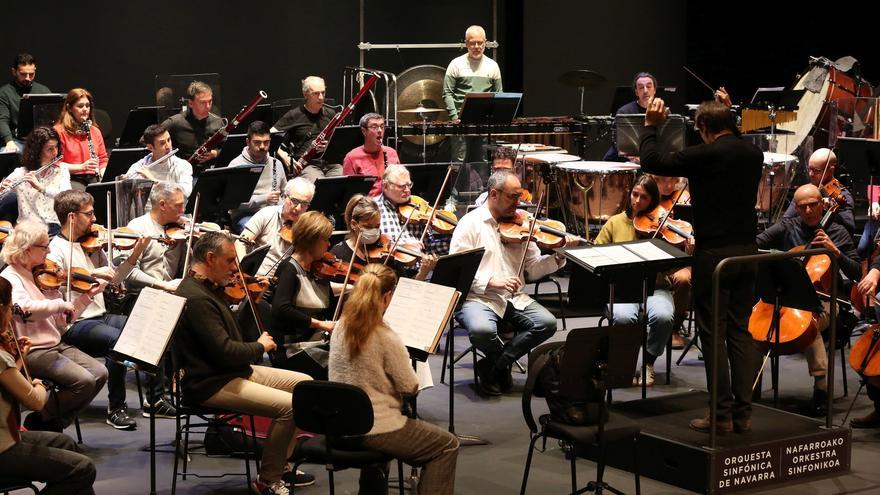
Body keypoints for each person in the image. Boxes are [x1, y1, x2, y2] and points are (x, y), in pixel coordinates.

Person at [639, 95, 764, 434]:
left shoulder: (704, 155)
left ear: (704, 129)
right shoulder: (754, 153)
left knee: (713, 334)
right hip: (748, 253)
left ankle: (720, 415)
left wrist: (651, 126)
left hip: (714, 255)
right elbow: (725, 142)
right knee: (740, 331)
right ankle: (743, 413)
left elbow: (651, 160)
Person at [173, 231, 313, 495]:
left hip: (230, 371)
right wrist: (261, 346)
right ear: (211, 258)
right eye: (229, 261)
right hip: (211, 382)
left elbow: (231, 335)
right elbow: (226, 351)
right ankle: (267, 480)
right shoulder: (197, 298)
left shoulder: (207, 289)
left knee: (304, 385)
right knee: (291, 408)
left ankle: (280, 463)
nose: (235, 269)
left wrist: (252, 304)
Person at [329, 263, 459, 495]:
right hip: (375, 428)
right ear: (388, 297)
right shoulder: (386, 337)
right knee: (446, 446)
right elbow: (410, 386)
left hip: (337, 423)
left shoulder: (340, 327)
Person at [450, 170, 577, 396]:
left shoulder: (523, 225)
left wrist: (559, 256)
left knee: (547, 323)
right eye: (513, 197)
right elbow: (458, 271)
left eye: (520, 197)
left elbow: (534, 268)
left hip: (513, 299)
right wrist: (491, 282)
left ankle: (495, 365)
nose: (518, 203)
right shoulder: (469, 224)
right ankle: (501, 365)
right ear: (493, 194)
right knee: (482, 330)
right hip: (477, 298)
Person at [48, 190, 151, 429]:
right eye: (90, 214)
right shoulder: (55, 249)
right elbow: (57, 279)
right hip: (74, 321)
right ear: (72, 217)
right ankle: (116, 407)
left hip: (100, 316)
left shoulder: (92, 245)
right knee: (118, 340)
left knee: (146, 326)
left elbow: (114, 279)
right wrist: (93, 273)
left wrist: (135, 255)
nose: (95, 219)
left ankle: (155, 399)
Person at [756, 183, 860, 416]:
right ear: (797, 208)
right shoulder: (788, 226)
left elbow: (856, 272)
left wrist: (836, 253)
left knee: (808, 323)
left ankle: (821, 390)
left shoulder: (837, 232)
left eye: (813, 205)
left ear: (823, 204)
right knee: (754, 322)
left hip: (826, 300)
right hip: (786, 297)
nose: (809, 211)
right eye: (802, 207)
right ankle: (750, 384)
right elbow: (758, 243)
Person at [0, 219, 106, 431]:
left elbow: (62, 321)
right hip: (33, 351)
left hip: (55, 344)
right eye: (44, 247)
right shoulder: (9, 277)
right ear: (28, 250)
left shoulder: (42, 276)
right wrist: (58, 303)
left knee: (100, 373)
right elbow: (25, 307)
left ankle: (46, 420)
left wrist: (86, 297)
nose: (48, 252)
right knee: (84, 381)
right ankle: (44, 420)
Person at [0, 276, 97, 495]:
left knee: (66, 444)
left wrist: (17, 359)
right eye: (9, 308)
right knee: (82, 469)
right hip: (3, 448)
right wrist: (40, 383)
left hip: (6, 436)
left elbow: (7, 380)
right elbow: (34, 401)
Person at [593, 175, 677, 386]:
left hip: (656, 286)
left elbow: (672, 267)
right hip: (623, 288)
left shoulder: (661, 225)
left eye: (644, 198)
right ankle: (625, 364)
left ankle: (648, 362)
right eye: (635, 195)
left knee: (664, 317)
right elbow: (596, 253)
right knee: (623, 319)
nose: (638, 201)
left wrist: (681, 249)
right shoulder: (615, 222)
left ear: (653, 200)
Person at [270, 211, 341, 369]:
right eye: (326, 240)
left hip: (319, 342)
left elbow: (328, 310)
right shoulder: (289, 269)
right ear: (312, 240)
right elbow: (281, 309)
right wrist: (320, 325)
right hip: (294, 348)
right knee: (341, 369)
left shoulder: (319, 270)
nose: (329, 245)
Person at [330, 194, 436, 281]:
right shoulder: (339, 253)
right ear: (354, 224)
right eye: (368, 226)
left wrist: (423, 272)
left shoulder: (386, 250)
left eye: (377, 226)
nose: (374, 231)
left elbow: (405, 290)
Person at [442, 25, 503, 163]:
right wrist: (454, 116)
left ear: (485, 43)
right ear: (466, 43)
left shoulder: (493, 66)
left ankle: (484, 185)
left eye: (480, 42)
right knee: (460, 162)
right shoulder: (455, 64)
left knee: (484, 162)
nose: (476, 46)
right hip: (460, 123)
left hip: (484, 124)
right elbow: (447, 93)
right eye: (472, 43)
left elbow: (499, 95)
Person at [375, 165, 447, 277]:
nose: (407, 190)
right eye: (401, 186)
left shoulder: (416, 208)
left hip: (423, 273)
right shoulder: (374, 210)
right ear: (385, 186)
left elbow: (429, 247)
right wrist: (406, 247)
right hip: (390, 275)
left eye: (409, 185)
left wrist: (454, 240)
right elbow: (373, 247)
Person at [238, 177, 315, 277]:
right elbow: (240, 243)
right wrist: (242, 272)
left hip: (287, 282)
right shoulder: (266, 214)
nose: (298, 208)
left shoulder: (307, 227)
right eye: (295, 201)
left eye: (304, 204)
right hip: (257, 279)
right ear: (284, 197)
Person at [1, 126, 70, 235]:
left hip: (53, 227)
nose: (55, 153)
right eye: (50, 149)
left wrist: (42, 188)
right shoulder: (20, 173)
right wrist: (1, 188)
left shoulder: (62, 171)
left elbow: (67, 199)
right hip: (27, 229)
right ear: (37, 151)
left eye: (56, 147)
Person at [274, 76, 340, 180]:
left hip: (330, 164)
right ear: (305, 94)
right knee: (318, 184)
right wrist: (284, 156)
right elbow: (268, 137)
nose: (321, 97)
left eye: (323, 92)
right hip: (306, 165)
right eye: (316, 93)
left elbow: (339, 141)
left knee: (342, 180)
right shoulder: (294, 115)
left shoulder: (330, 113)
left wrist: (329, 146)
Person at [228, 121, 287, 233]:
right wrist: (264, 199)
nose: (262, 147)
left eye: (266, 142)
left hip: (275, 214)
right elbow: (233, 203)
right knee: (266, 233)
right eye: (257, 142)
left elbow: (285, 193)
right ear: (248, 142)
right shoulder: (236, 166)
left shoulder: (276, 163)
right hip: (246, 215)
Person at [653, 174, 692, 347]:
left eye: (672, 180)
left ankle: (674, 328)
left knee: (684, 278)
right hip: (654, 255)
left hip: (678, 257)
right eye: (662, 180)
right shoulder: (647, 197)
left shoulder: (683, 198)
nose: (668, 185)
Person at [783, 148, 854, 235]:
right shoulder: (806, 191)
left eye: (816, 170)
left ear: (831, 170)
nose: (811, 174)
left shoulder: (842, 195)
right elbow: (786, 220)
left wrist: (831, 213)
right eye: (810, 169)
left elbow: (850, 229)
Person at [53, 88, 108, 191]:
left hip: (92, 177)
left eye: (87, 106)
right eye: (80, 106)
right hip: (70, 177)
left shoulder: (94, 131)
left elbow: (103, 159)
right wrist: (82, 167)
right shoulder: (58, 131)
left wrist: (104, 177)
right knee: (83, 198)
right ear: (69, 108)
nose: (85, 109)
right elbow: (55, 164)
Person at [161, 80, 223, 169]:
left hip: (210, 172)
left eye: (210, 101)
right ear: (190, 103)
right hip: (182, 174)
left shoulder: (217, 121)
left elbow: (228, 148)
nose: (208, 106)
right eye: (203, 102)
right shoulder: (175, 122)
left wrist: (215, 153)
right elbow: (147, 140)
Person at [125, 123, 194, 199]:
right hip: (148, 210)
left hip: (173, 210)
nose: (168, 146)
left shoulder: (183, 165)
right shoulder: (138, 167)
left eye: (169, 140)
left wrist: (154, 180)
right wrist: (125, 183)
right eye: (162, 143)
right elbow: (128, 196)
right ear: (150, 147)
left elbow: (185, 192)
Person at [0, 53, 52, 152]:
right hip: (16, 141)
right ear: (14, 72)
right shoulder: (4, 93)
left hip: (40, 142)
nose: (28, 78)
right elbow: (2, 119)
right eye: (23, 74)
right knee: (6, 153)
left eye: (31, 74)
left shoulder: (44, 90)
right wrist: (9, 141)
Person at [604, 72, 658, 162]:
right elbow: (616, 140)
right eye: (641, 87)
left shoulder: (661, 111)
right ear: (637, 92)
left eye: (648, 86)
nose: (645, 91)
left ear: (654, 90)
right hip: (625, 159)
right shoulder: (624, 112)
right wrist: (631, 157)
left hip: (650, 157)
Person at [342, 113, 400, 196]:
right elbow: (349, 194)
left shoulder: (391, 153)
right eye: (374, 127)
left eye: (382, 126)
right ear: (364, 131)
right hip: (368, 206)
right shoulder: (352, 158)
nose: (380, 130)